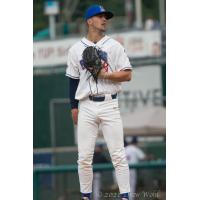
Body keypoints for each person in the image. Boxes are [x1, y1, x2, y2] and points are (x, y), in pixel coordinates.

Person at [66, 4, 133, 200]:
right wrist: (73, 107)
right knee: (84, 158)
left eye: (106, 16)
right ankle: (86, 196)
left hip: (109, 104)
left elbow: (128, 75)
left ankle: (125, 196)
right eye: (100, 16)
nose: (104, 19)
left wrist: (105, 75)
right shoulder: (75, 49)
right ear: (89, 21)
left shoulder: (114, 46)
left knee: (118, 155)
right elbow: (73, 80)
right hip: (86, 105)